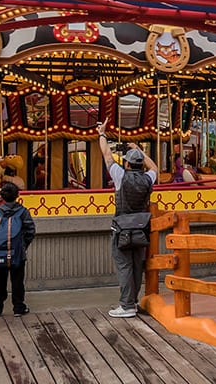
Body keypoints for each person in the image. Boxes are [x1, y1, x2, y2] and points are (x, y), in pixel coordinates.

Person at [98, 121, 157, 318]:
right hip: (141, 227)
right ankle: (132, 301)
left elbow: (107, 155)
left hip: (122, 228)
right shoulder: (148, 178)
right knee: (137, 266)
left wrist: (102, 134)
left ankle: (126, 305)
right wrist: (139, 150)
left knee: (124, 266)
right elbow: (155, 167)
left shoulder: (120, 175)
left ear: (127, 163)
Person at [0, 181, 35, 317]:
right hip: (17, 252)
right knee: (17, 280)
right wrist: (23, 245)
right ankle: (18, 307)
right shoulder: (22, 211)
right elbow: (30, 230)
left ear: (2, 197)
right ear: (17, 196)